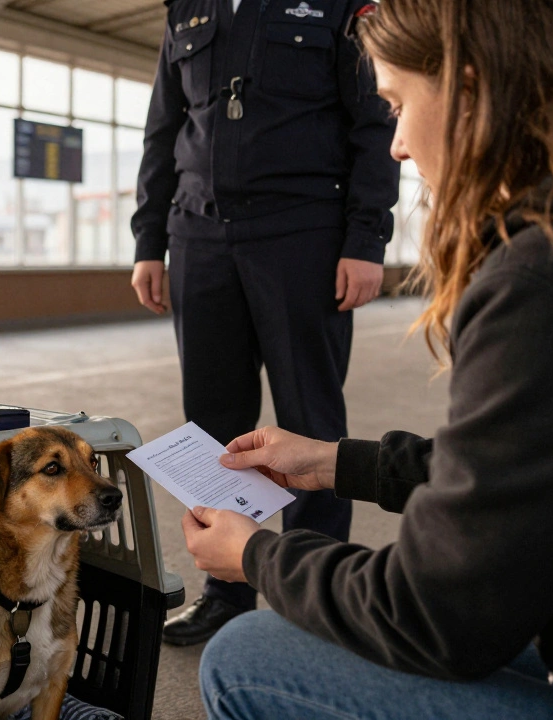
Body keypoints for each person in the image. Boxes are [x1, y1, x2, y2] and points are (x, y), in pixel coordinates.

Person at [183, 1, 553, 718]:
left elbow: (434, 616)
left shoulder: (551, 280)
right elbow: (526, 464)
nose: (396, 144)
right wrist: (339, 462)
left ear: (471, 91)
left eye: (398, 103)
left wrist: (257, 558)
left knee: (248, 656)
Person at [131, 0, 400, 644]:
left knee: (310, 423)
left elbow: (374, 122)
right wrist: (148, 241)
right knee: (211, 428)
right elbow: (162, 130)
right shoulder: (186, 11)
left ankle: (311, 601)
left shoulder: (339, 6)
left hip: (303, 233)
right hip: (197, 234)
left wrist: (365, 239)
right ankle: (225, 590)